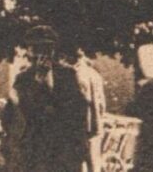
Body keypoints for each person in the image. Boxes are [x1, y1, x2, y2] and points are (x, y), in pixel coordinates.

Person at [5, 27, 92, 172]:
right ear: (29, 51)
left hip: (62, 152)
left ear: (53, 51)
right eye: (36, 49)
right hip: (33, 153)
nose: (41, 55)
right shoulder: (23, 79)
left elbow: (78, 111)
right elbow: (15, 113)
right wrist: (37, 84)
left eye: (46, 49)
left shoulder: (68, 75)